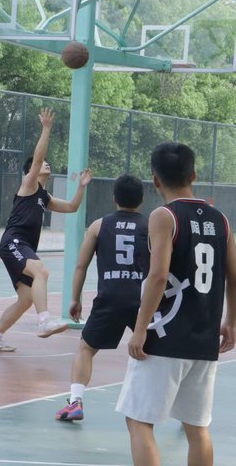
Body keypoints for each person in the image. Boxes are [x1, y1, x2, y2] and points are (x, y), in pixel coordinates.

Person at [116, 142, 236, 466]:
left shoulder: (164, 216)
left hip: (165, 338)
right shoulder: (221, 220)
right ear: (193, 174)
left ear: (155, 180)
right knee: (198, 427)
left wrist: (140, 329)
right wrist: (231, 321)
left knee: (139, 421)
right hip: (204, 342)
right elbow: (234, 276)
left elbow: (158, 276)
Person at [0, 108, 92, 351]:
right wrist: (46, 128)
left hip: (21, 246)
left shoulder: (44, 196)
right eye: (43, 163)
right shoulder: (28, 184)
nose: (46, 164)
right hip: (13, 242)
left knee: (25, 299)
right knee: (41, 271)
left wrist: (82, 187)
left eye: (47, 163)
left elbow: (72, 207)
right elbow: (38, 157)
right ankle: (44, 322)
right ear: (31, 170)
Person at [55, 174, 148, 422]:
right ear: (141, 200)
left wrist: (75, 299)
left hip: (110, 298)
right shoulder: (150, 227)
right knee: (160, 352)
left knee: (86, 348)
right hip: (142, 300)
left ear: (114, 198)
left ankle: (75, 402)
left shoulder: (99, 226)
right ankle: (181, 411)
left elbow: (81, 266)